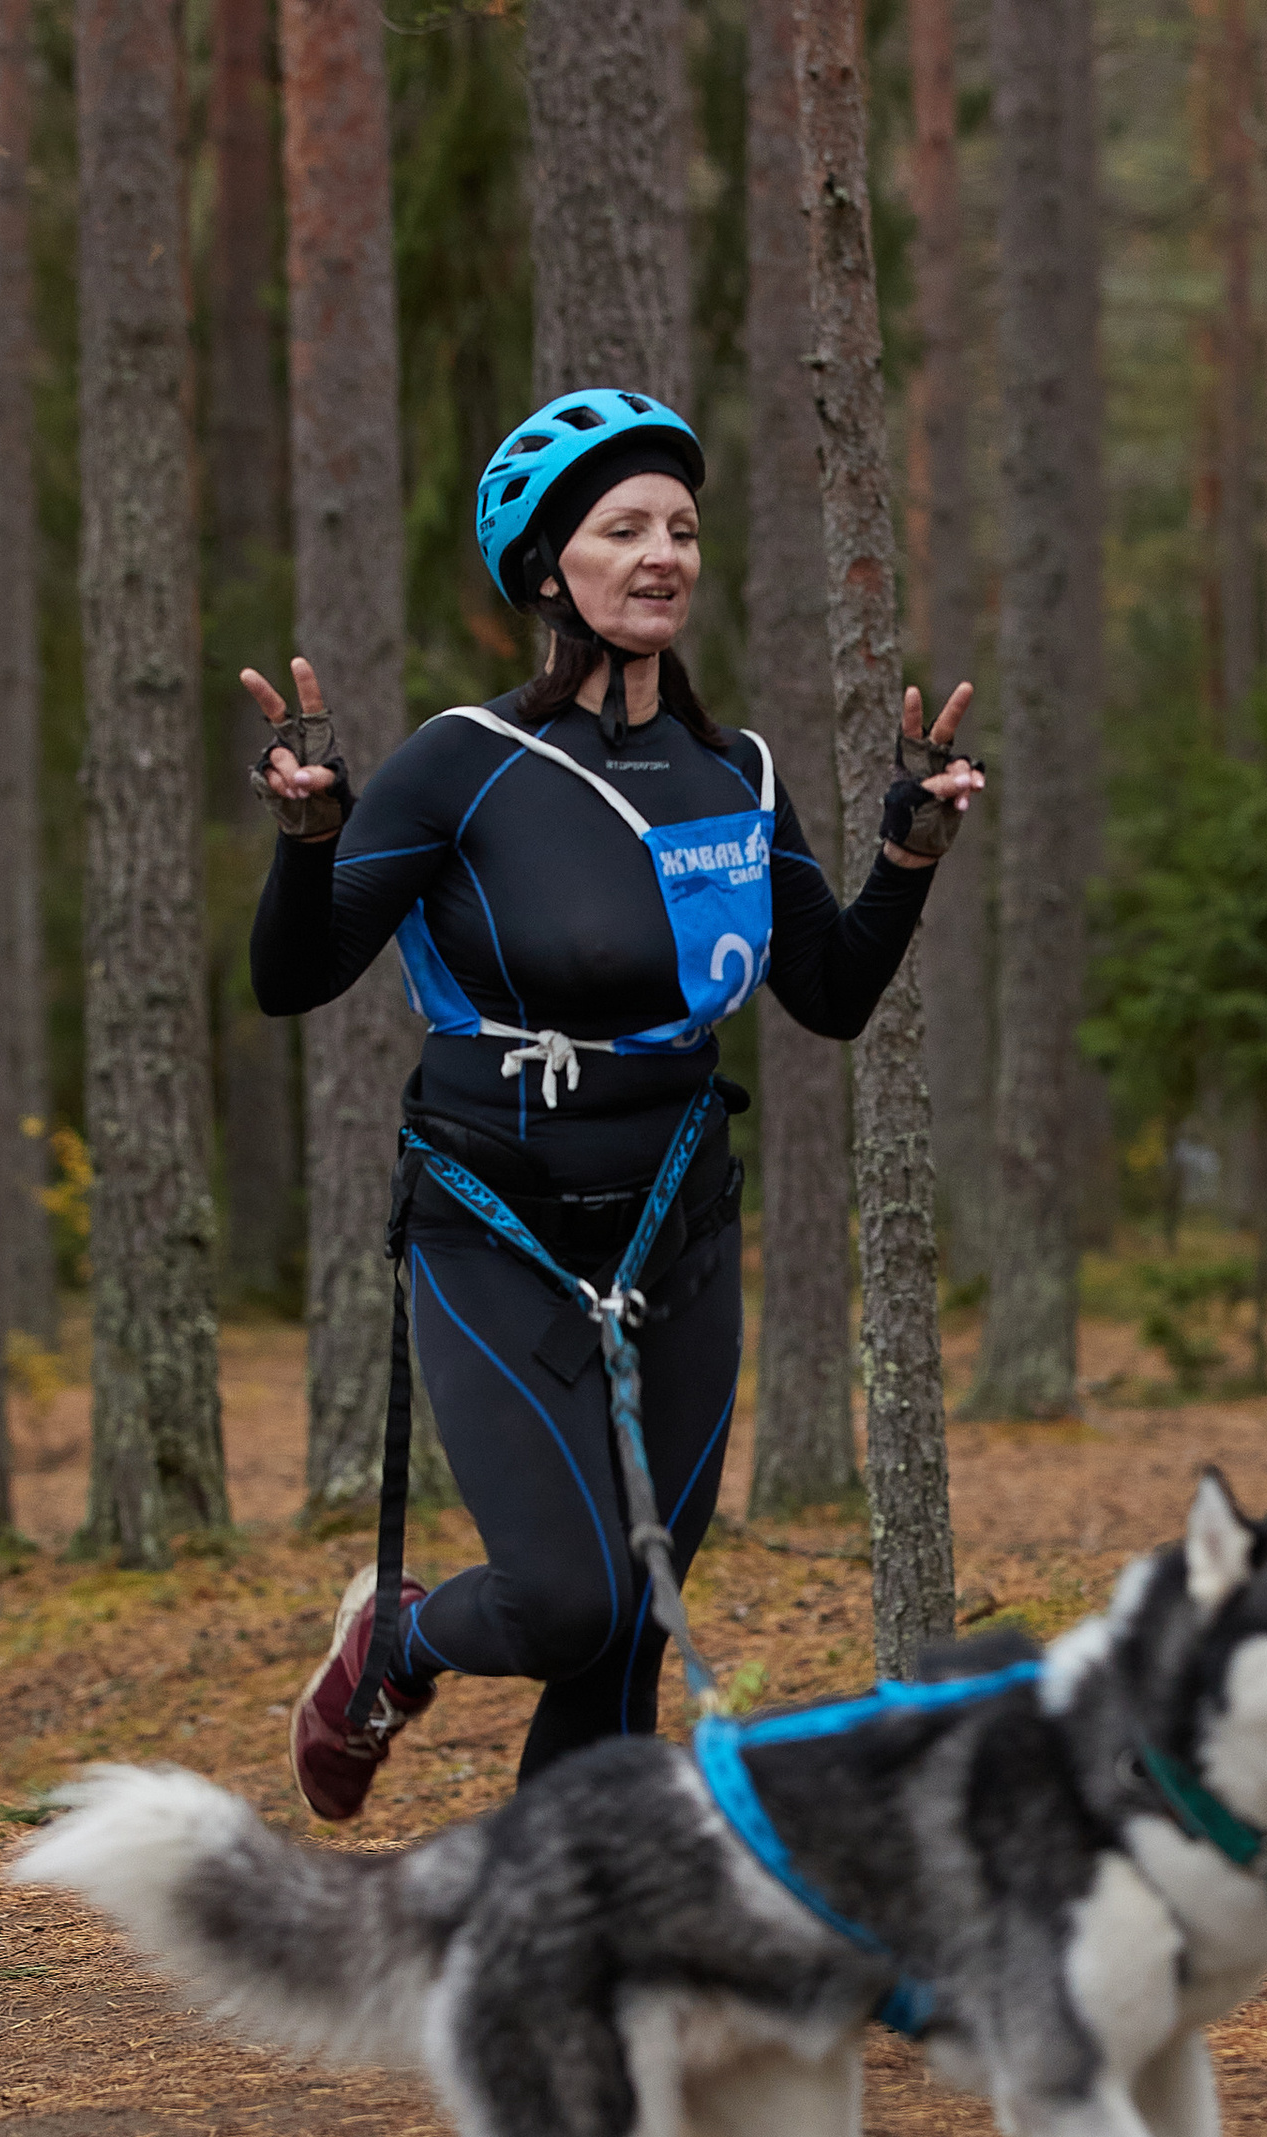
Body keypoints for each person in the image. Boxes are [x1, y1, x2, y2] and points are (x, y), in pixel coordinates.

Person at [244, 387, 981, 1821]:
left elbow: (824, 995)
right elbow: (296, 976)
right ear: (543, 570)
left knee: (636, 1627)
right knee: (569, 1599)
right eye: (623, 527)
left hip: (676, 1228)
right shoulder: (464, 763)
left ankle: (574, 1947)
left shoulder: (737, 773)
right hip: (493, 1227)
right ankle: (396, 1640)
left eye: (683, 529)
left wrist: (906, 858)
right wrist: (307, 842)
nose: (664, 554)